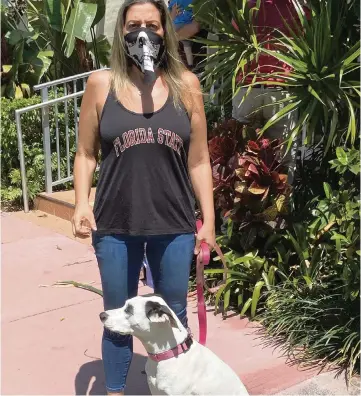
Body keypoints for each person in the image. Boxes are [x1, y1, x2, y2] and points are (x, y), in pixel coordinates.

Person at [71, 0, 215, 394]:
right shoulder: (101, 85)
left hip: (174, 224)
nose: (143, 32)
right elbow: (85, 153)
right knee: (119, 320)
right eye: (134, 24)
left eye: (152, 24)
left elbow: (199, 159)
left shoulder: (188, 86)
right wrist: (82, 202)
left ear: (165, 30)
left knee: (174, 318)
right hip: (115, 224)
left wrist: (209, 222)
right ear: (121, 32)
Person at [232, 0, 309, 183]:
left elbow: (233, 36)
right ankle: (279, 209)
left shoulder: (247, 6)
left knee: (243, 159)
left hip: (248, 87)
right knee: (282, 161)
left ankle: (242, 209)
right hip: (280, 91)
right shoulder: (298, 8)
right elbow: (308, 42)